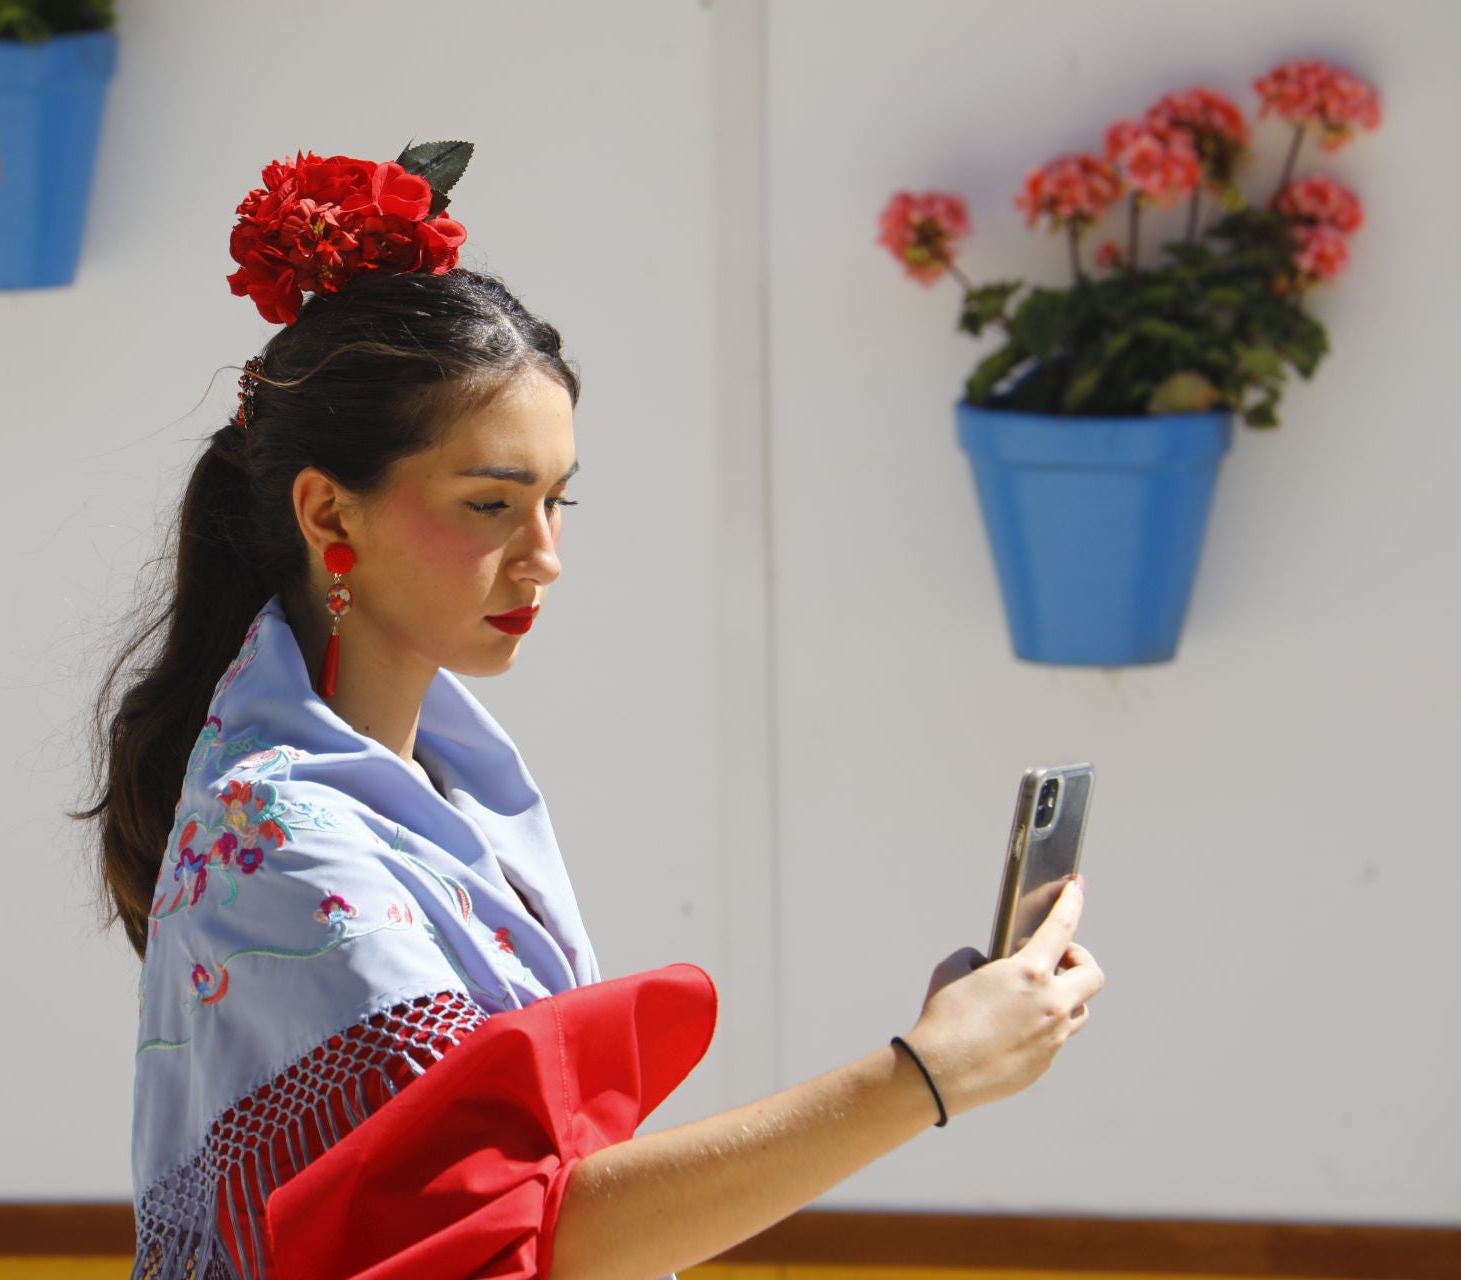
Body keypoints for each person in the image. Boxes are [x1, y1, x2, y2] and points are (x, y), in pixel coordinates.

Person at [73, 144, 1107, 1280]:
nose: (546, 555)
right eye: (491, 502)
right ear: (331, 512)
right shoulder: (287, 841)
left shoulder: (441, 783)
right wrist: (924, 1075)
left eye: (558, 500)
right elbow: (503, 1231)